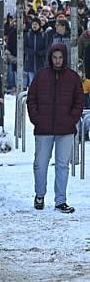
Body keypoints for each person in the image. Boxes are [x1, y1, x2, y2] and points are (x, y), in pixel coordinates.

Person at [27, 43, 83, 213]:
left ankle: (60, 200)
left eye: (60, 57)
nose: (57, 61)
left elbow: (79, 101)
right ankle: (40, 195)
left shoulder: (73, 77)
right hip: (44, 128)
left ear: (64, 58)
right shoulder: (41, 75)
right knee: (40, 164)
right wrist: (36, 119)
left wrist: (71, 119)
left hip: (65, 129)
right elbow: (32, 98)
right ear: (50, 58)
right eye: (55, 57)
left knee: (62, 165)